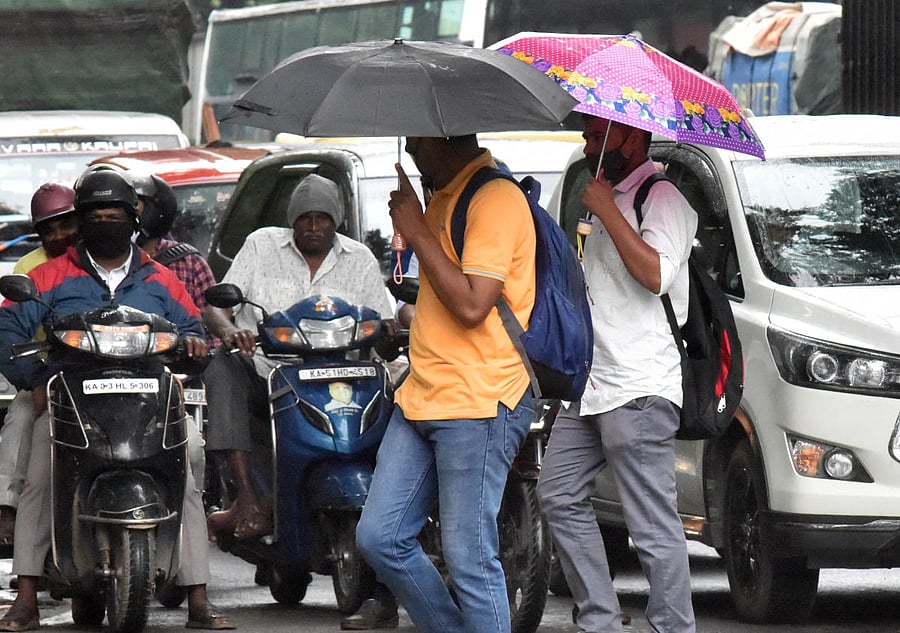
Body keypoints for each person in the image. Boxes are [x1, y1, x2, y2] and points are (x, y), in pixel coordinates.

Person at [0, 169, 235, 632]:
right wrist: (38, 380)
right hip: (70, 396)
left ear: (134, 220)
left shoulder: (162, 278)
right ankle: (25, 595)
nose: (106, 221)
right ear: (82, 220)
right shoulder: (49, 275)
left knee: (186, 468)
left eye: (116, 214)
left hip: (148, 398)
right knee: (40, 475)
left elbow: (193, 330)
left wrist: (193, 347)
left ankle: (198, 600)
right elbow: (7, 331)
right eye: (96, 214)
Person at [355, 135, 537, 633]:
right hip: (424, 394)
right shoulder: (442, 194)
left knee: (470, 559)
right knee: (380, 538)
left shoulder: (496, 199)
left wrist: (415, 230)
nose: (410, 143)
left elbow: (475, 304)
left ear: (447, 133)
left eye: (419, 135)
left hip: (479, 399)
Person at [201, 174, 399, 629]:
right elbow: (215, 306)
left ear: (337, 222)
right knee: (222, 370)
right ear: (292, 222)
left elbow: (385, 323)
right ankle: (249, 500)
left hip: (341, 377)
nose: (313, 226)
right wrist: (231, 332)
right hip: (268, 373)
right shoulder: (261, 245)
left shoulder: (361, 259)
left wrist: (391, 333)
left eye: (322, 219)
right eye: (305, 218)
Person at [536, 114, 698, 633]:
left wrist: (609, 209)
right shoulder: (602, 196)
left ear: (631, 136)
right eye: (586, 136)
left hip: (641, 385)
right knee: (557, 493)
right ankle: (600, 620)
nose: (588, 145)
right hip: (593, 384)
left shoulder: (663, 197)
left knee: (651, 527)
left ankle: (673, 627)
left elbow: (655, 275)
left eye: (595, 134)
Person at [0, 184, 80, 549]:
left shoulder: (104, 261)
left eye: (66, 225)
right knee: (19, 418)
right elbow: (17, 329)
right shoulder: (29, 268)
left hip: (103, 371)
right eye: (49, 230)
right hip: (50, 374)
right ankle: (11, 512)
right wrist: (34, 378)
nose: (59, 236)